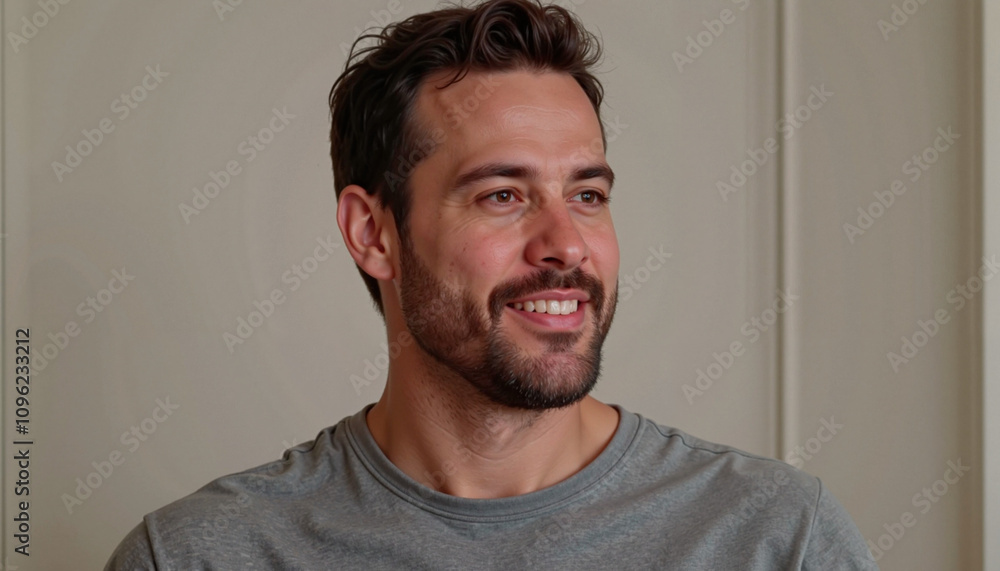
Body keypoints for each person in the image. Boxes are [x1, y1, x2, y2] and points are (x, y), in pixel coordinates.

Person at [106, 1, 878, 568]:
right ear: (373, 233)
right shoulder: (195, 557)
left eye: (587, 194)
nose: (566, 244)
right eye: (501, 194)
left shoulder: (776, 537)